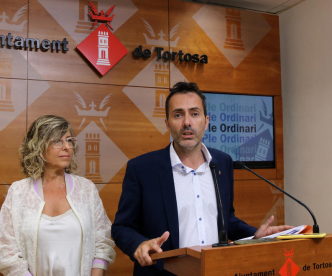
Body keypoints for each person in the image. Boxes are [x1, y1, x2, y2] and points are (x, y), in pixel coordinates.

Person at [111, 82, 292, 276]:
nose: (187, 122)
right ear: (167, 123)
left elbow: (225, 219)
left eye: (194, 114)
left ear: (206, 122)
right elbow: (122, 227)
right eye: (178, 114)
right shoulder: (142, 169)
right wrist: (138, 244)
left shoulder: (222, 162)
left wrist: (254, 235)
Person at [0, 115, 115, 276]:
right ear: (39, 146)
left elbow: (102, 242)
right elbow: (6, 251)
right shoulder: (19, 192)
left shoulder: (86, 189)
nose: (66, 147)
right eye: (58, 141)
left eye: (69, 140)